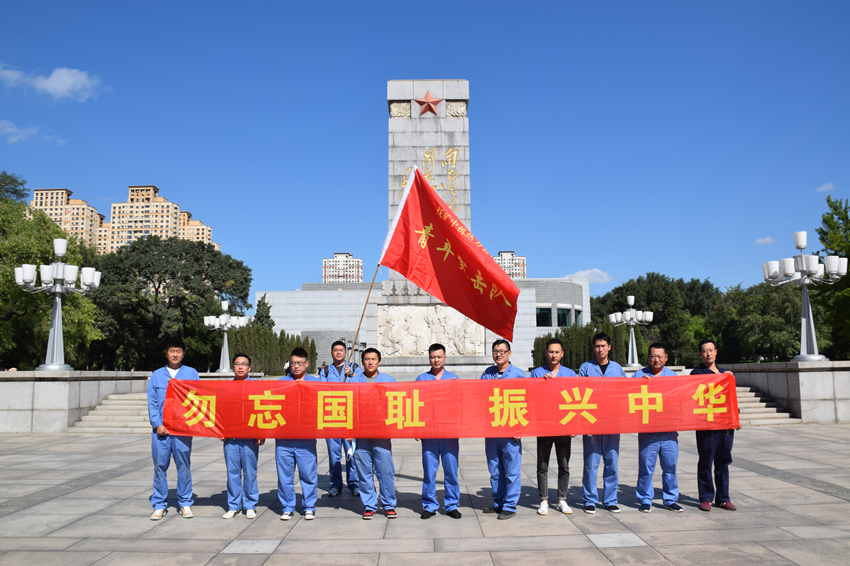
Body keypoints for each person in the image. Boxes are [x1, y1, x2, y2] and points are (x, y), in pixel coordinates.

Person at [147, 338, 199, 520]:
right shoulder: (157, 375)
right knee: (160, 466)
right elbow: (152, 403)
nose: (175, 354)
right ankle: (159, 504)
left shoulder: (191, 374)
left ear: (183, 353)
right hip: (161, 431)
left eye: (178, 351)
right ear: (166, 353)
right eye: (172, 351)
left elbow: (197, 400)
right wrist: (157, 424)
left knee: (183, 466)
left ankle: (185, 503)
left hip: (182, 431)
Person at [480, 339, 527, 520]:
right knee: (495, 469)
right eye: (495, 351)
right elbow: (477, 396)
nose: (498, 354)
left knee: (512, 470)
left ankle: (510, 505)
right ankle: (498, 502)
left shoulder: (518, 375)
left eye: (502, 351)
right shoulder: (487, 373)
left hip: (510, 432)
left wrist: (521, 428)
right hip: (492, 431)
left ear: (509, 353)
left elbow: (527, 402)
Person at [692, 338, 740, 512]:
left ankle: (723, 498)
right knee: (705, 462)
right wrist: (724, 378)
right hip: (707, 427)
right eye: (704, 351)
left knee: (723, 463)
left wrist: (736, 417)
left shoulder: (726, 375)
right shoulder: (697, 373)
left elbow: (731, 399)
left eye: (711, 350)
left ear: (716, 352)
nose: (708, 354)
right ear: (700, 354)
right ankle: (705, 498)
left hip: (725, 427)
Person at [632, 343, 682, 513]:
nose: (656, 359)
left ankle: (670, 499)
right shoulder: (639, 375)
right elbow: (628, 396)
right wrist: (639, 385)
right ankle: (645, 499)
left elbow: (680, 401)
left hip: (669, 433)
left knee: (670, 467)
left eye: (660, 356)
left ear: (666, 358)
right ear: (648, 357)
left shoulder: (672, 376)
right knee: (646, 468)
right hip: (648, 433)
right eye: (653, 356)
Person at [578, 332, 624, 514]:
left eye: (603, 346)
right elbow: (578, 393)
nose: (600, 349)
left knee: (612, 461)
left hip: (612, 422)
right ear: (593, 348)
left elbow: (626, 393)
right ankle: (589, 499)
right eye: (597, 346)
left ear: (609, 347)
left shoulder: (617, 369)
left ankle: (610, 499)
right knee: (591, 462)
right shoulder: (585, 368)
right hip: (591, 422)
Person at [349, 348, 397, 519]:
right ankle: (369, 504)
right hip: (361, 435)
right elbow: (349, 408)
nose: (370, 362)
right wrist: (348, 430)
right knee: (364, 471)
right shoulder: (354, 383)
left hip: (382, 434)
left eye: (373, 359)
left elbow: (396, 405)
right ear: (362, 362)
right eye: (367, 359)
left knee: (385, 470)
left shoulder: (389, 381)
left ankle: (389, 504)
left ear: (379, 362)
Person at [416, 343, 462, 520]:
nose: (436, 360)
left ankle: (451, 504)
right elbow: (417, 405)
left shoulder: (453, 379)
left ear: (445, 358)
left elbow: (459, 404)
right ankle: (429, 504)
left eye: (439, 357)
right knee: (429, 470)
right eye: (433, 357)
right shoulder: (421, 379)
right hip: (429, 433)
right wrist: (416, 428)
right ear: (429, 358)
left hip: (449, 433)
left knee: (451, 469)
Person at [531, 338, 576, 516]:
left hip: (564, 426)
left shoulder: (570, 374)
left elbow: (576, 399)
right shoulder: (536, 374)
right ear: (545, 353)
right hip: (544, 426)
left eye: (557, 352)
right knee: (542, 464)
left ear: (562, 354)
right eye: (551, 351)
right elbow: (530, 397)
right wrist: (541, 383)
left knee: (563, 465)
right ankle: (544, 500)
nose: (554, 355)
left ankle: (561, 499)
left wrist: (574, 425)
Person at [276, 347, 320, 520]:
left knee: (308, 474)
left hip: (306, 439)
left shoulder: (315, 384)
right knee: (284, 475)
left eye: (299, 363)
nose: (296, 366)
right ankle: (287, 506)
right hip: (284, 438)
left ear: (306, 364)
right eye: (293, 363)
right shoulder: (280, 383)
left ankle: (309, 506)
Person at [222, 353, 265, 519]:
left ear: (249, 368)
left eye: (244, 364)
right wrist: (220, 430)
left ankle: (250, 504)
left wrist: (262, 433)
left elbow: (262, 410)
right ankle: (233, 505)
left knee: (250, 471)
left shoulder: (256, 387)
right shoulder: (225, 388)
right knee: (232, 472)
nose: (240, 367)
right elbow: (220, 412)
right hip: (230, 438)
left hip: (250, 437)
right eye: (237, 364)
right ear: (233, 367)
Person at [321, 340, 362, 497]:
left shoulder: (354, 368)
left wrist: (350, 375)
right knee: (334, 454)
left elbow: (361, 386)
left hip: (349, 417)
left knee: (351, 452)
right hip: (332, 418)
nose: (338, 352)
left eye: (341, 350)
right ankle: (335, 484)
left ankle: (354, 484)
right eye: (335, 350)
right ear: (332, 352)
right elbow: (322, 391)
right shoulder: (325, 372)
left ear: (345, 353)